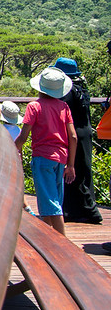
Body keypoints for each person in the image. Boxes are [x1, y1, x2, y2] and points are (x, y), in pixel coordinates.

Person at [14, 67, 77, 236]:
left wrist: (13, 149)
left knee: (51, 203)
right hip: (61, 159)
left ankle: (63, 244)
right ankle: (46, 237)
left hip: (43, 158)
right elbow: (73, 136)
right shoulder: (64, 107)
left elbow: (24, 136)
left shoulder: (34, 107)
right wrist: (70, 165)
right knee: (50, 200)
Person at [54, 57, 103, 224]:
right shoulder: (82, 87)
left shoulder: (67, 91)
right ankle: (83, 209)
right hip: (86, 132)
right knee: (84, 169)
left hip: (73, 133)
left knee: (73, 171)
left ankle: (86, 211)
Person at [0, 100, 36, 217]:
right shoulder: (19, 131)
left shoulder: (0, 129)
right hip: (16, 161)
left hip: (5, 161)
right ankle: (28, 209)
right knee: (17, 186)